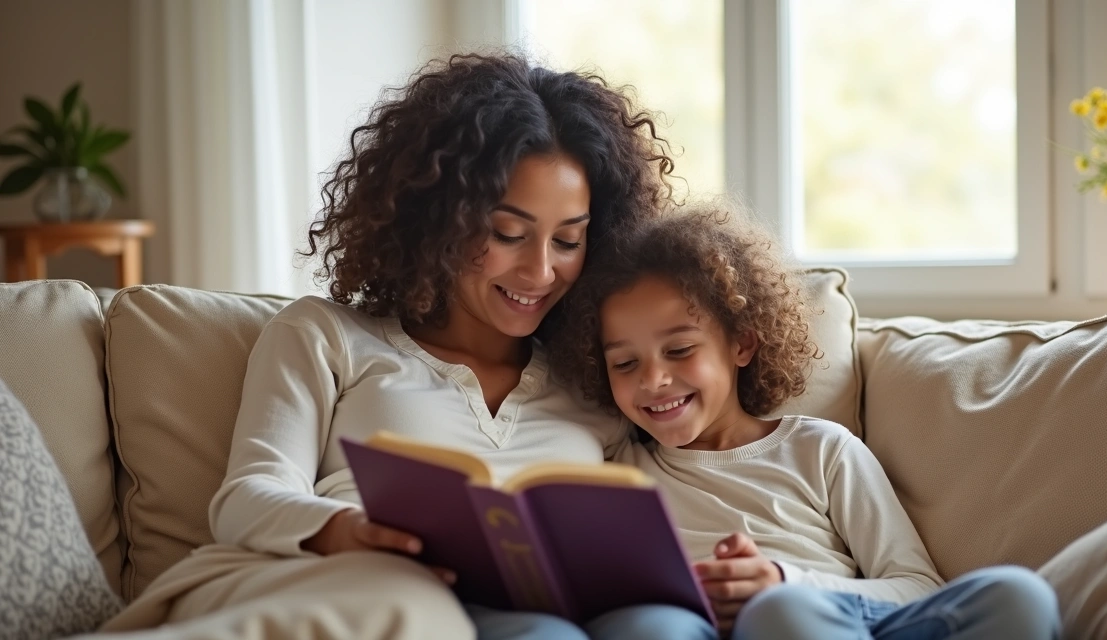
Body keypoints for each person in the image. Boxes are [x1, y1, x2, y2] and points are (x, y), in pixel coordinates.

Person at [100, 53, 686, 640]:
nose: (539, 270)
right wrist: (346, 530)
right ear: (440, 219)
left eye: (567, 240)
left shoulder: (600, 375)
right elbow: (249, 495)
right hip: (373, 592)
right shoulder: (326, 335)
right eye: (508, 234)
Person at [548, 205, 1062, 640]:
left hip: (841, 620)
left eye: (679, 350)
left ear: (741, 344)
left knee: (1018, 595)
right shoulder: (620, 475)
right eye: (625, 363)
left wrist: (784, 579)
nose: (654, 379)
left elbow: (915, 586)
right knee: (770, 617)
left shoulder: (820, 449)